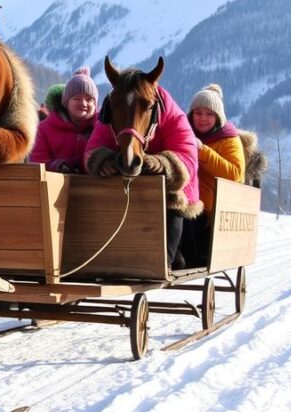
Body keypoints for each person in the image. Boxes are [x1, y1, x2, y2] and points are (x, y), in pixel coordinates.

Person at [85, 65, 202, 269]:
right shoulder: (111, 114)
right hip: (127, 197)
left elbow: (188, 160)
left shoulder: (174, 117)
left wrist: (162, 164)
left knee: (173, 202)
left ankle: (166, 257)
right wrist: (101, 160)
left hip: (168, 200)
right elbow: (93, 147)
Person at [182, 84, 246, 266]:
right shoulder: (184, 134)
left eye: (209, 114)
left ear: (218, 117)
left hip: (211, 212)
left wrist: (202, 150)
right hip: (186, 203)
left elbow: (235, 173)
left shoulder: (229, 139)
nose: (203, 119)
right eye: (198, 113)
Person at [29, 68, 98, 173]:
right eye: (77, 98)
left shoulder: (102, 127)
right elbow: (38, 163)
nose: (84, 103)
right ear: (66, 102)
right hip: (54, 187)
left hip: (97, 187)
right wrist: (57, 166)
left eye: (89, 100)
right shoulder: (45, 129)